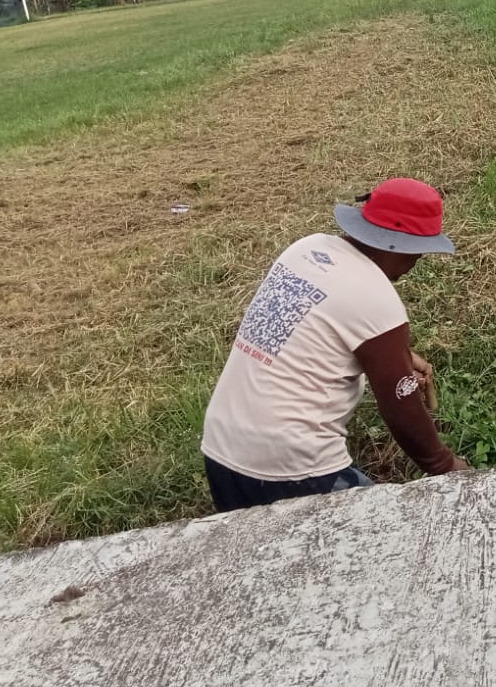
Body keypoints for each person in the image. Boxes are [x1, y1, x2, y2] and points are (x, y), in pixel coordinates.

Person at [200, 178, 469, 513]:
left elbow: (308, 328)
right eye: (419, 252)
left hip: (221, 447)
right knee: (388, 531)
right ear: (400, 246)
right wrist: (445, 466)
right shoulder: (374, 294)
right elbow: (401, 407)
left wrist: (394, 356)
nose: (416, 263)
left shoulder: (306, 250)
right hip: (288, 464)